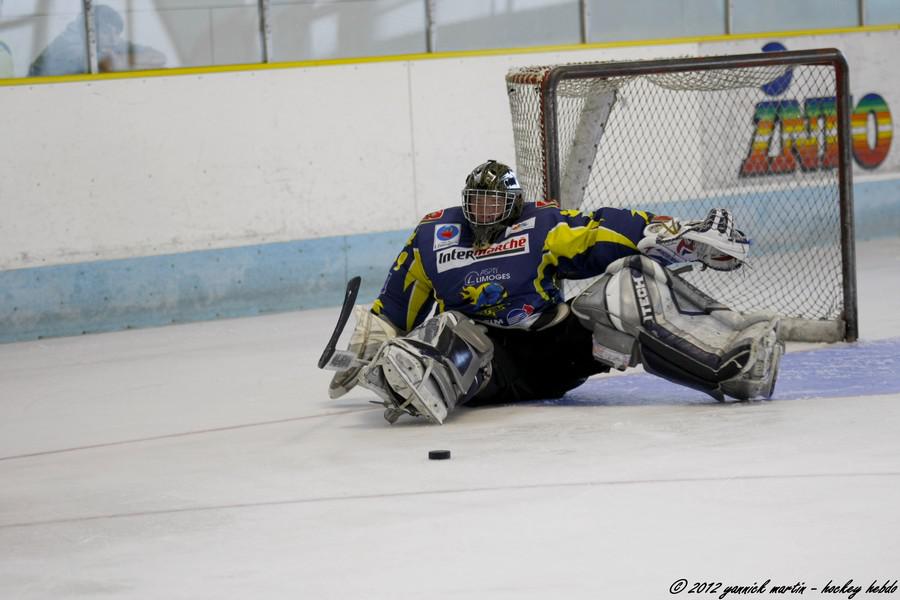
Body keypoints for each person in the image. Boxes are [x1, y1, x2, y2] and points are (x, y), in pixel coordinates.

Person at [325, 159, 783, 424]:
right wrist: (375, 340)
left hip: (553, 353)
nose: (484, 213)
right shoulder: (433, 236)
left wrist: (677, 235)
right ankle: (422, 380)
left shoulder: (540, 225)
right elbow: (396, 307)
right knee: (449, 330)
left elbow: (602, 231)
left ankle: (730, 365)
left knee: (631, 282)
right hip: (489, 365)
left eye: (494, 203)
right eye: (476, 203)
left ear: (512, 204)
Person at [28, 5, 165, 77]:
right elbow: (107, 64)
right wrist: (121, 60)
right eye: (106, 32)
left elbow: (158, 57)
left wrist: (122, 59)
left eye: (117, 33)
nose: (113, 39)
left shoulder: (111, 40)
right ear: (90, 30)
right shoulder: (66, 45)